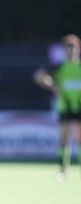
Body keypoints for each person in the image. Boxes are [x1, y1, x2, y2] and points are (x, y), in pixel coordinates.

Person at [33, 34, 81, 182]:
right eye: (68, 47)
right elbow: (38, 76)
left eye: (74, 47)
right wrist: (53, 87)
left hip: (79, 106)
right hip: (64, 107)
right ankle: (62, 170)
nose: (71, 50)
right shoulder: (59, 66)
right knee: (64, 138)